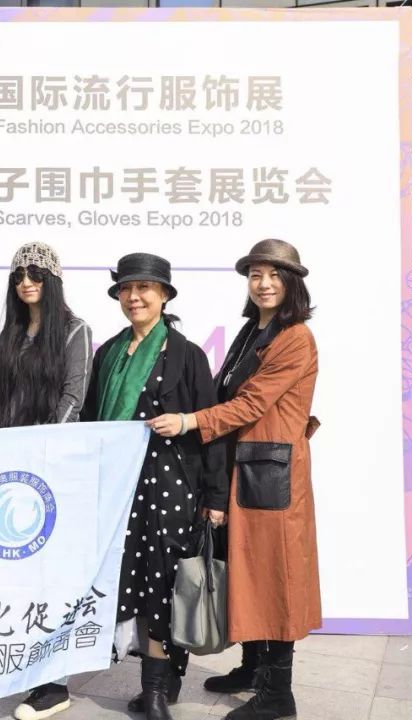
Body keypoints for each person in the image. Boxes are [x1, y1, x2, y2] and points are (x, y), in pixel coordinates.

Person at [152, 238, 320, 720]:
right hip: (245, 467)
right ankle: (252, 668)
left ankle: (277, 694)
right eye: (255, 275)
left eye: (274, 275)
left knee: (275, 576)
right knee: (247, 572)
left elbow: (250, 404)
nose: (263, 284)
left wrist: (189, 421)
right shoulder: (254, 331)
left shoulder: (295, 338)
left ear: (292, 283)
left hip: (272, 475)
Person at [81, 253, 227, 720]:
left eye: (144, 288)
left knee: (163, 583)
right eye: (126, 288)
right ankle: (159, 683)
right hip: (121, 489)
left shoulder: (187, 354)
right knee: (132, 584)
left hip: (171, 487)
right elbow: (90, 421)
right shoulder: (109, 353)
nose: (134, 297)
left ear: (164, 295)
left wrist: (215, 497)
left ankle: (158, 690)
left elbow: (211, 427)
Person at [0, 242, 92, 720]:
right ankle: (23, 669)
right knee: (16, 574)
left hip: (51, 470)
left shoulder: (74, 330)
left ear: (53, 281)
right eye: (19, 276)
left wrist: (40, 452)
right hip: (9, 471)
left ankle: (54, 684)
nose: (26, 283)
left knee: (52, 576)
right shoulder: (10, 333)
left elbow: (74, 398)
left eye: (36, 275)